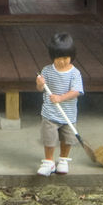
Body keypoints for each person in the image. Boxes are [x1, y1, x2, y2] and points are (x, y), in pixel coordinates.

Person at [35, 31, 85, 176]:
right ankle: (49, 162)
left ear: (72, 57)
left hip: (68, 115)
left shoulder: (75, 73)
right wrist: (39, 84)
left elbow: (77, 91)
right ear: (52, 57)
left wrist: (61, 98)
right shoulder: (47, 70)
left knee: (67, 139)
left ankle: (63, 160)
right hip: (50, 113)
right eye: (58, 58)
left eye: (65, 58)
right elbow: (41, 89)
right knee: (49, 139)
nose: (62, 61)